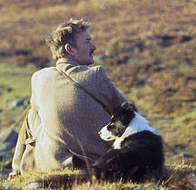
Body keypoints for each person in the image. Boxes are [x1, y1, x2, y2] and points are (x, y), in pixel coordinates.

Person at [10, 18, 130, 175]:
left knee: (31, 114)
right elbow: (129, 115)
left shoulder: (39, 78)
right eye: (87, 42)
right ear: (70, 49)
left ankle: (15, 171)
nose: (93, 47)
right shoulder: (96, 75)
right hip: (99, 162)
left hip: (51, 165)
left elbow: (38, 112)